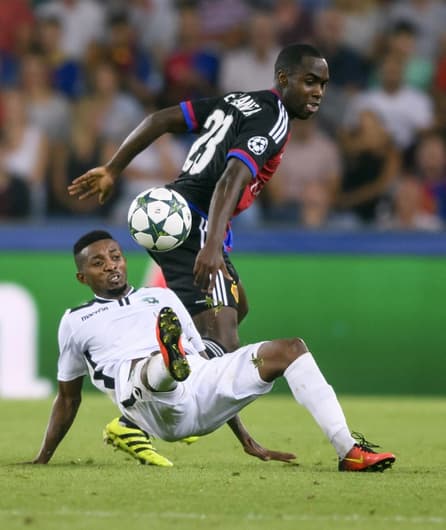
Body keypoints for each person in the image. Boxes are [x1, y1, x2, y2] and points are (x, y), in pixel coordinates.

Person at [68, 43, 329, 463]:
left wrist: (113, 168)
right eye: (310, 81)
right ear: (283, 79)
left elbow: (159, 119)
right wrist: (210, 244)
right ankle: (140, 416)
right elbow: (229, 178)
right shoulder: (274, 116)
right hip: (191, 222)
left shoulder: (236, 102)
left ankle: (158, 381)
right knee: (224, 339)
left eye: (323, 84)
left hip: (177, 212)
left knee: (236, 309)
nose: (318, 92)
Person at [31, 230, 396, 473]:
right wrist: (43, 458)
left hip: (197, 391)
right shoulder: (75, 321)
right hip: (149, 405)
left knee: (289, 350)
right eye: (99, 262)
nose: (111, 264)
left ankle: (348, 451)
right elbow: (68, 399)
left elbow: (210, 365)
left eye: (115, 256)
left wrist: (245, 438)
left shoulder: (161, 297)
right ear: (83, 277)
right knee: (156, 366)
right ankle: (166, 362)